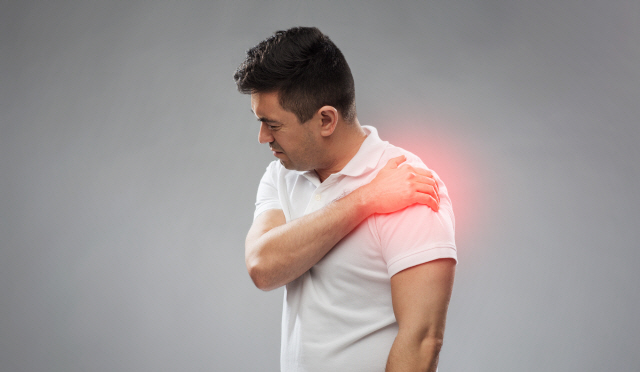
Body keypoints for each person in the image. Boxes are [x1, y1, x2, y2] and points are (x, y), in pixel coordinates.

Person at [234, 27, 457, 372]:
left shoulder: (411, 183)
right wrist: (366, 198)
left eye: (272, 125)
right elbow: (263, 267)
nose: (262, 137)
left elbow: (423, 340)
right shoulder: (282, 175)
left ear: (326, 120)